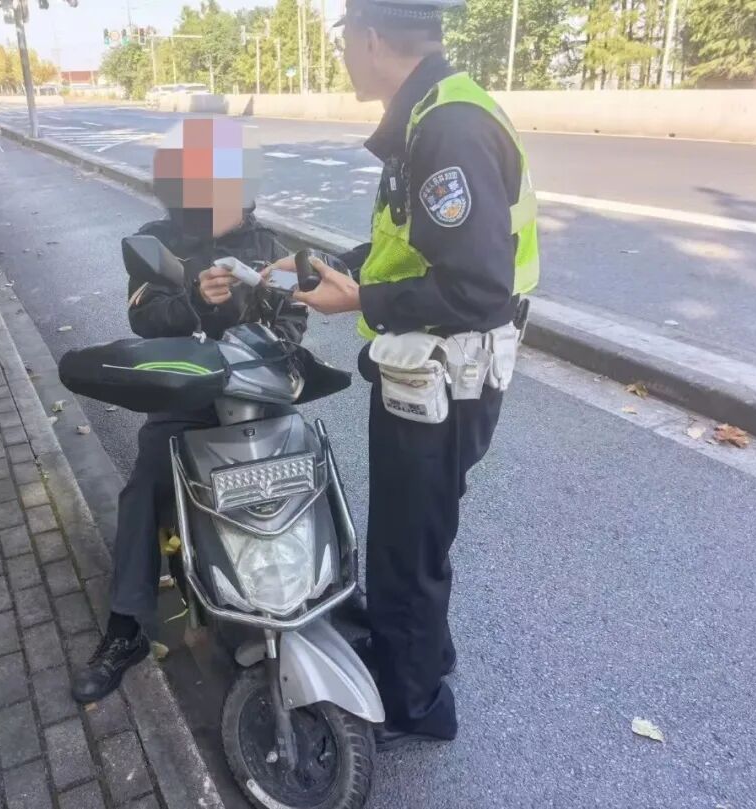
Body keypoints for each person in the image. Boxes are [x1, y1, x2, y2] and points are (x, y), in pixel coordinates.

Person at [286, 0, 540, 751]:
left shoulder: (447, 128)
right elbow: (414, 245)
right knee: (414, 531)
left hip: (446, 377)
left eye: (342, 42)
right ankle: (421, 653)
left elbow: (476, 286)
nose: (342, 56)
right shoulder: (430, 109)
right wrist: (344, 268)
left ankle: (413, 702)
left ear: (368, 39)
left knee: (407, 538)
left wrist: (360, 297)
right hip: (433, 371)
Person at [70, 118, 308, 704]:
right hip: (187, 401)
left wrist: (275, 319)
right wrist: (197, 303)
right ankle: (125, 629)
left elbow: (295, 324)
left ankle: (328, 584)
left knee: (313, 462)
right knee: (145, 484)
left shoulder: (270, 247)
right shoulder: (158, 240)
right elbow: (143, 317)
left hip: (258, 401)